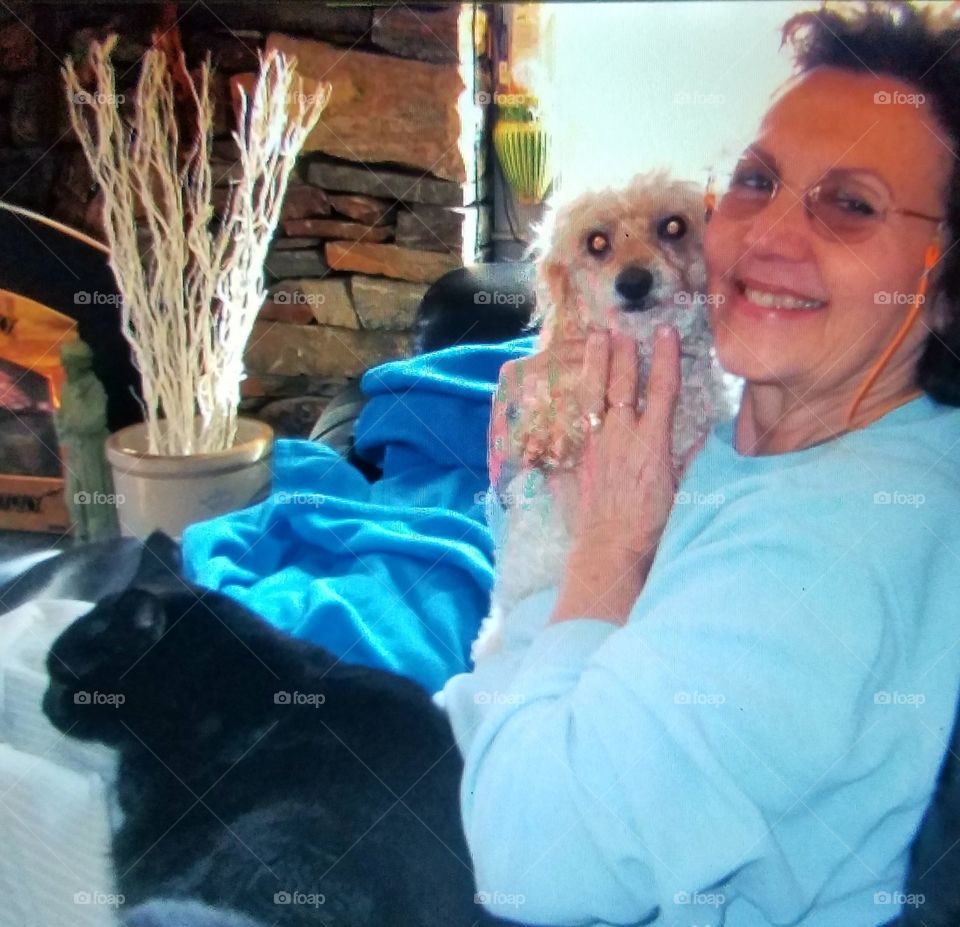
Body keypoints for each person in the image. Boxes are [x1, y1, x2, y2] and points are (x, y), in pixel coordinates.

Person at [440, 4, 960, 925]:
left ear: (946, 284)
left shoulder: (834, 555)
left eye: (850, 203)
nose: (766, 237)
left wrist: (608, 550)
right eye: (757, 181)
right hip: (516, 724)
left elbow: (533, 862)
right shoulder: (779, 429)